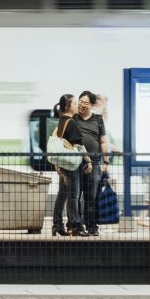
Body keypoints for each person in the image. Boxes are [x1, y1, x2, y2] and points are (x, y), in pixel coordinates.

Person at [71, 90, 110, 236]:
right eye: (80, 101)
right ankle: (78, 225)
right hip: (76, 163)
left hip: (95, 163)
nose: (82, 105)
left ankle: (92, 226)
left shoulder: (98, 120)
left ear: (92, 105)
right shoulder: (73, 118)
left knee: (91, 196)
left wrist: (106, 161)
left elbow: (104, 141)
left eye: (85, 103)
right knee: (76, 195)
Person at [50, 94, 89, 237]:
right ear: (68, 106)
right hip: (71, 166)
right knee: (74, 196)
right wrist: (88, 160)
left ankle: (57, 225)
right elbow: (79, 145)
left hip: (62, 166)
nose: (77, 106)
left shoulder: (61, 121)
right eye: (74, 104)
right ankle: (76, 227)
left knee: (62, 196)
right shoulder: (71, 122)